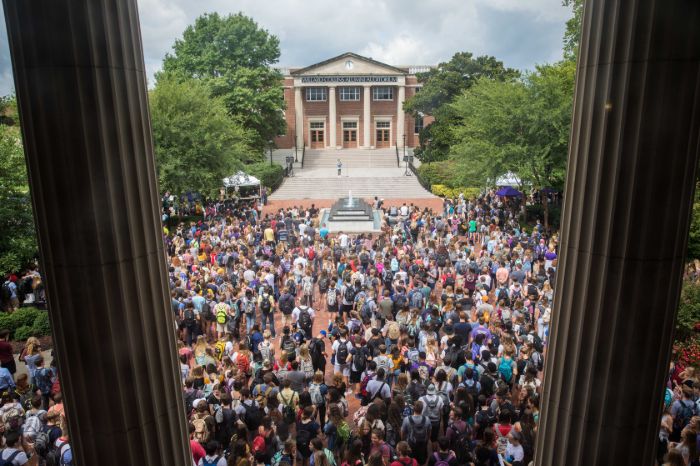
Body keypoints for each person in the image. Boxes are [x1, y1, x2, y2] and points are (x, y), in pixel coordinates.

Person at [401, 401, 430, 466]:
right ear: (422, 409)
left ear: (413, 408)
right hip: (423, 443)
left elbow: (402, 432)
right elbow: (429, 432)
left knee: (411, 461)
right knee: (422, 461)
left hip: (411, 443)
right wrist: (427, 440)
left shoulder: (407, 419)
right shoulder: (427, 419)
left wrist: (403, 441)